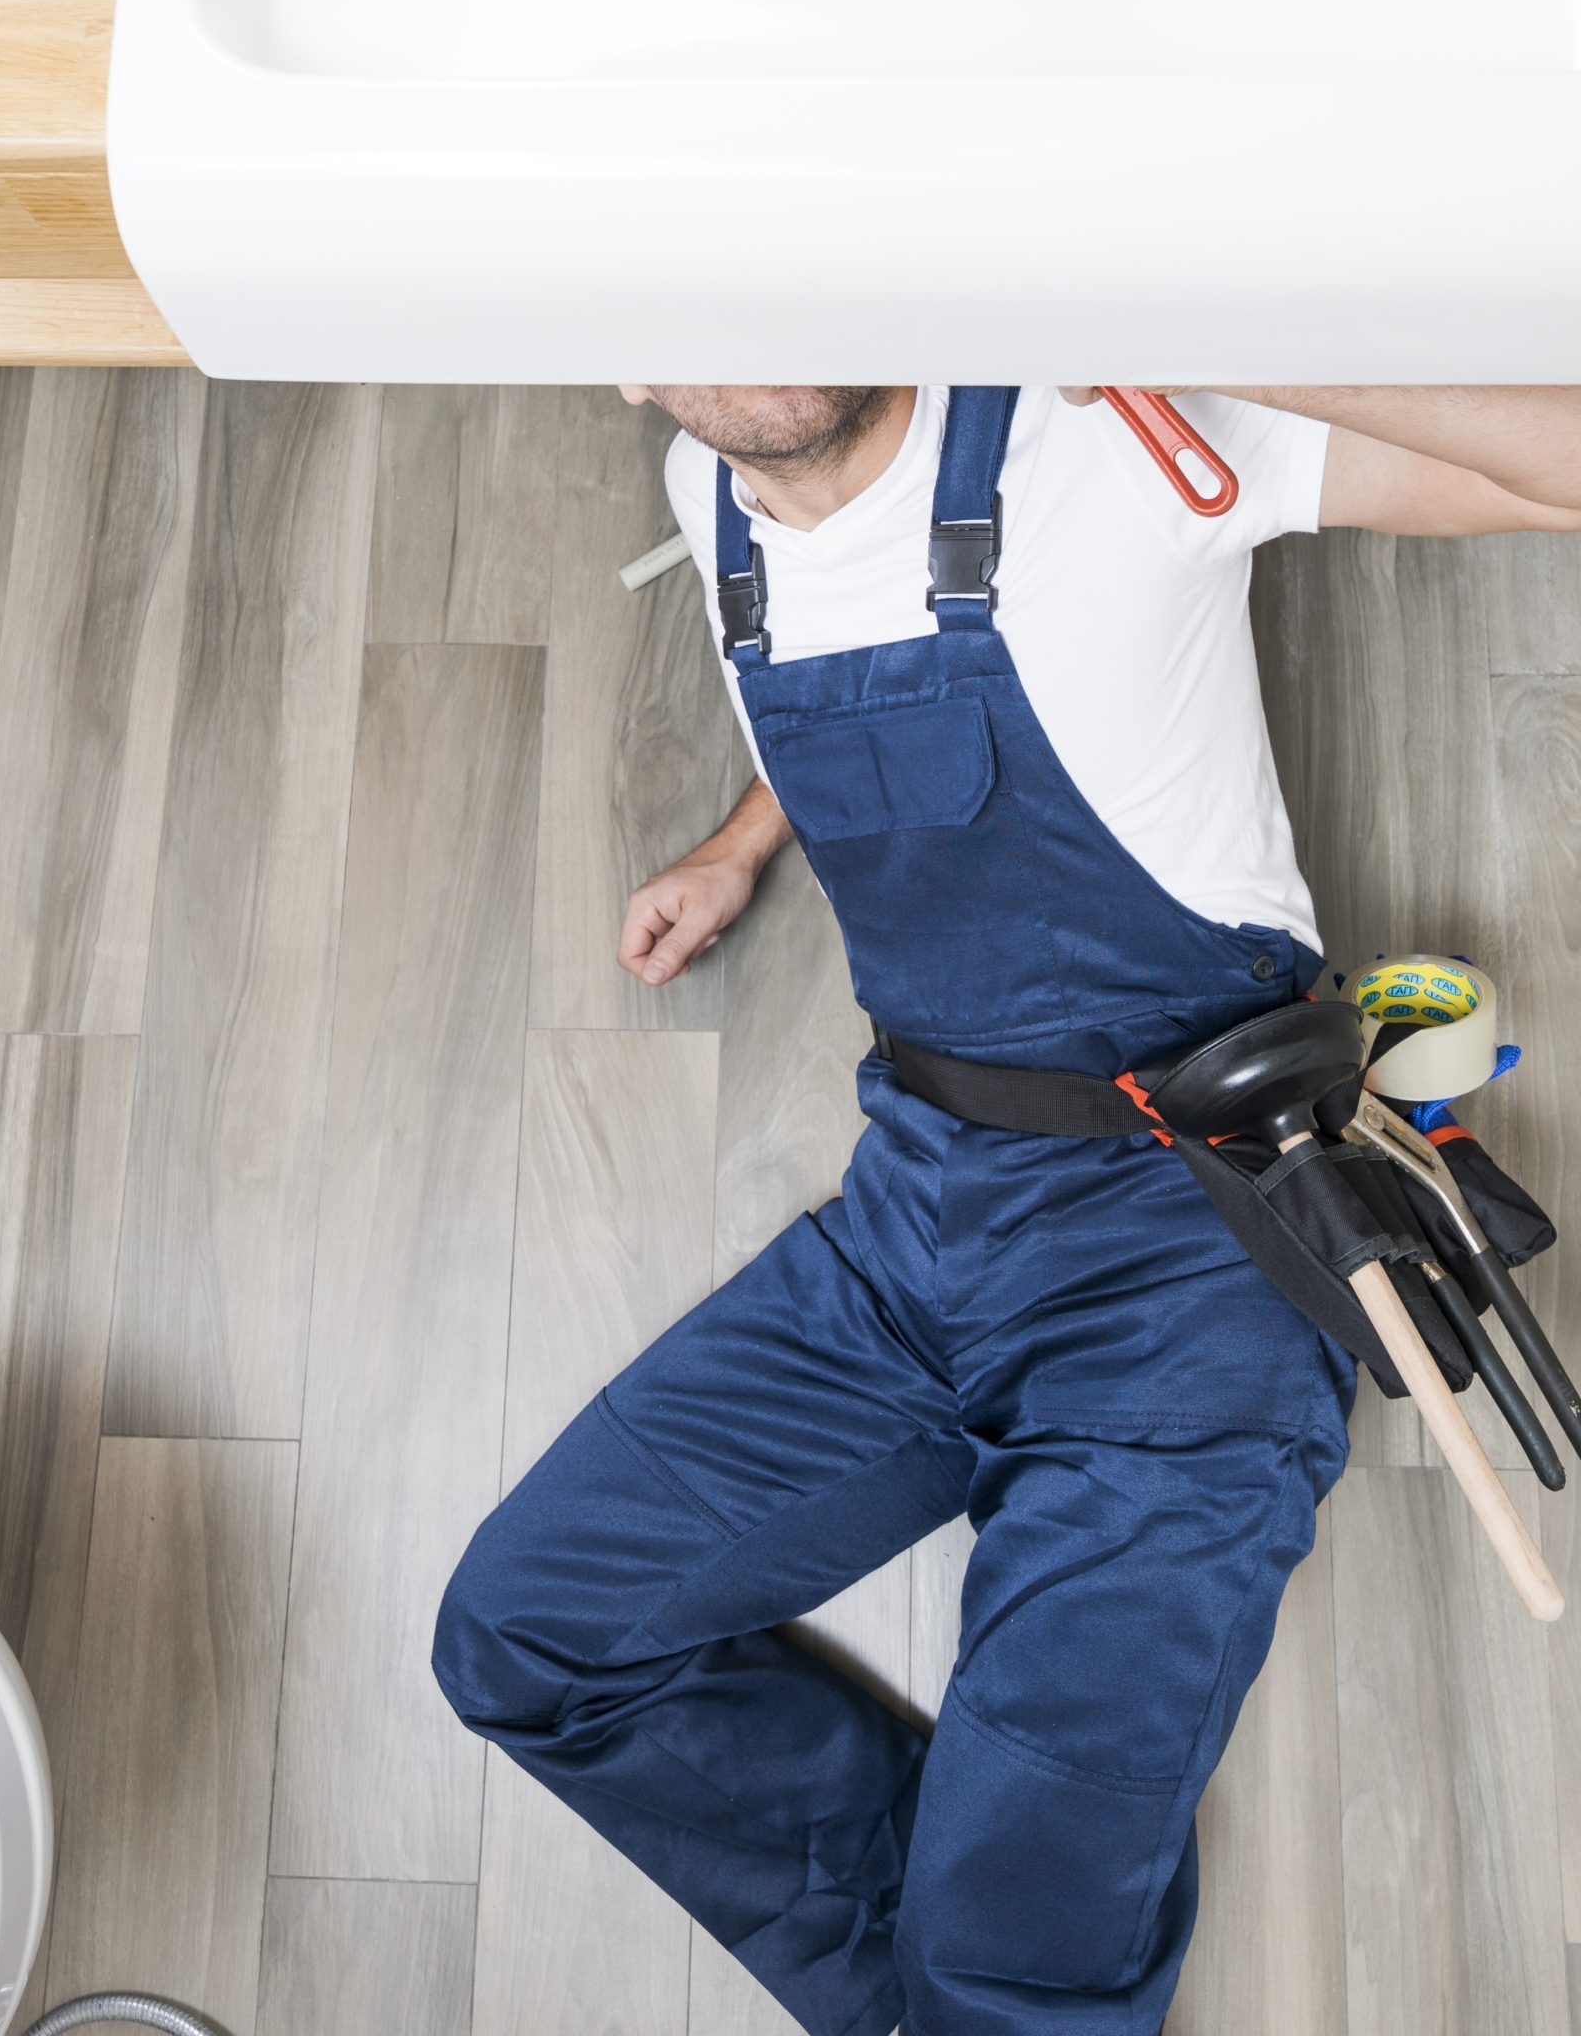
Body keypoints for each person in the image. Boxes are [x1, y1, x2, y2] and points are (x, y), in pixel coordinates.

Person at [435, 383, 1581, 2036]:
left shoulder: (1123, 422)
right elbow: (861, 664)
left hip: (1191, 1281)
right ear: (626, 370)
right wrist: (745, 838)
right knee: (524, 1640)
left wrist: (1200, 318)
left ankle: (990, 1981)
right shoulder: (713, 495)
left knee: (1000, 1970)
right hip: (911, 1235)